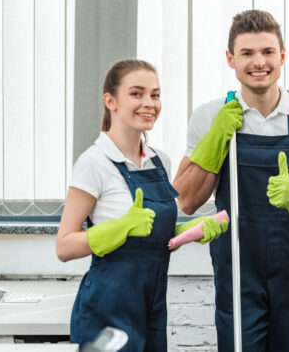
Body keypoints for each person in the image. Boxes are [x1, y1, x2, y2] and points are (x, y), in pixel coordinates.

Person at [173, 10, 289, 351]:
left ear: (282, 56)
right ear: (231, 59)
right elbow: (186, 200)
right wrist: (216, 138)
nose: (258, 62)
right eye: (247, 53)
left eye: (267, 52)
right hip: (237, 266)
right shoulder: (209, 116)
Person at [56, 59, 227, 351]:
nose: (148, 103)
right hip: (107, 307)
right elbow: (64, 246)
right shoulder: (94, 162)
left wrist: (190, 229)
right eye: (136, 94)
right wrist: (120, 228)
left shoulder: (159, 160)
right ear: (110, 101)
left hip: (153, 303)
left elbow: (152, 229)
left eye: (155, 94)